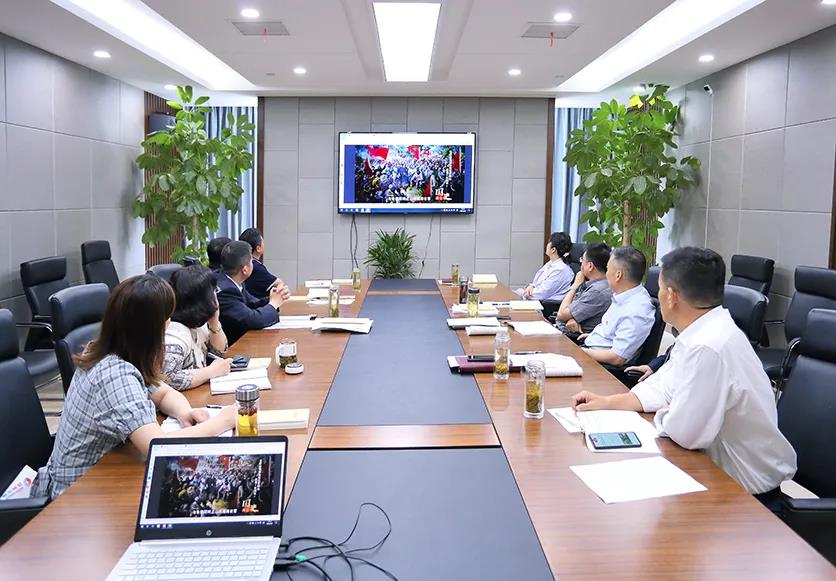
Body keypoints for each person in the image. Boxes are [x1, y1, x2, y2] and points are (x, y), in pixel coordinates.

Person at [571, 247, 797, 505]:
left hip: (746, 495)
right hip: (713, 471)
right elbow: (661, 388)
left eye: (659, 289)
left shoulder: (709, 345)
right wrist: (607, 402)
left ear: (671, 296)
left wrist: (667, 412)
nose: (656, 297)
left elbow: (685, 433)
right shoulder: (700, 331)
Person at [32, 275, 237, 500]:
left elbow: (162, 393)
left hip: (104, 476)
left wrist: (184, 412)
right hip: (75, 496)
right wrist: (223, 421)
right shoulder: (115, 373)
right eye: (167, 318)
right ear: (157, 327)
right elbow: (158, 447)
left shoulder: (116, 349)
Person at [579, 246, 655, 366]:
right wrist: (594, 337)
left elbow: (617, 357)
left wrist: (580, 352)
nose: (606, 274)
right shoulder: (624, 295)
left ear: (618, 275)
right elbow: (611, 333)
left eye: (608, 269)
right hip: (591, 349)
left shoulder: (637, 309)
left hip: (600, 366)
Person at [163, 265, 232, 391]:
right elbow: (166, 378)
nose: (216, 296)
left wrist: (214, 322)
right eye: (214, 292)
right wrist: (211, 371)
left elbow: (219, 352)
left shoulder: (198, 324)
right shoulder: (174, 337)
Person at [217, 240, 290, 345]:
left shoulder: (233, 280)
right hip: (232, 346)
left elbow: (252, 304)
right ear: (245, 270)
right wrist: (273, 304)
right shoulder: (225, 291)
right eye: (251, 261)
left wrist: (275, 297)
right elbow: (252, 320)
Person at [554, 243, 612, 336]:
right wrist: (572, 317)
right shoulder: (597, 285)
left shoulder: (597, 291)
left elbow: (561, 315)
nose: (580, 264)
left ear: (590, 266)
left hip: (574, 338)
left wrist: (575, 286)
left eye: (582, 260)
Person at [515, 232, 574, 301]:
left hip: (543, 304)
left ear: (553, 249)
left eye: (549, 242)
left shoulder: (561, 270)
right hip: (535, 299)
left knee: (513, 294)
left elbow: (542, 293)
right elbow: (538, 284)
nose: (547, 244)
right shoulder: (551, 263)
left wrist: (524, 292)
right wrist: (531, 286)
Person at [239, 227, 284, 299]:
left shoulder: (239, 263)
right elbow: (278, 284)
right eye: (262, 241)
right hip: (258, 304)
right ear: (258, 248)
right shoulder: (256, 267)